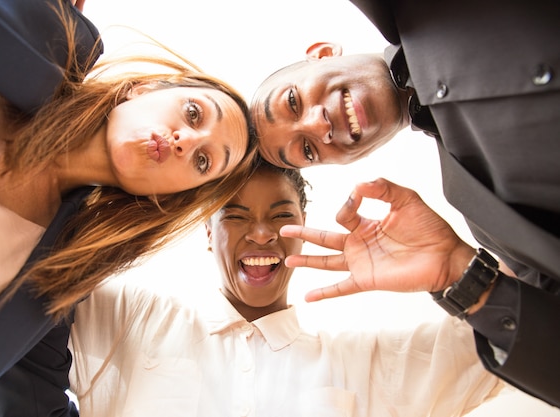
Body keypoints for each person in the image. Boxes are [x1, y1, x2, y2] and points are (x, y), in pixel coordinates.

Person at [0, 1, 257, 413]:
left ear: (172, 195)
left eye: (203, 162)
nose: (186, 141)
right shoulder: (19, 46)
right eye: (193, 114)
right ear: (145, 88)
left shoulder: (52, 280)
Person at [250, 0, 560, 407]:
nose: (318, 126)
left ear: (322, 53)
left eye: (292, 101)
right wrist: (458, 273)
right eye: (307, 150)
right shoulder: (483, 214)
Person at [66, 160, 503, 416]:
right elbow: (28, 270)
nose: (261, 234)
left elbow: (523, 330)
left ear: (303, 224)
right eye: (235, 215)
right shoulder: (128, 316)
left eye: (280, 215)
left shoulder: (367, 363)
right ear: (205, 229)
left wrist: (452, 266)